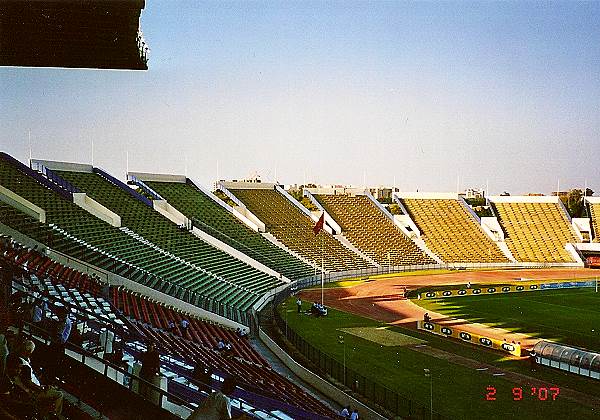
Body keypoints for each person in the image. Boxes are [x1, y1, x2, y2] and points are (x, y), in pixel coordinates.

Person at [16, 340, 64, 416]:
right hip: (34, 391)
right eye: (31, 351)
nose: (31, 353)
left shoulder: (20, 358)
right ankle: (54, 415)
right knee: (60, 394)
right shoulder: (23, 364)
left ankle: (48, 412)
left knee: (53, 389)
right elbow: (28, 382)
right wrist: (41, 388)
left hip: (35, 387)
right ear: (28, 351)